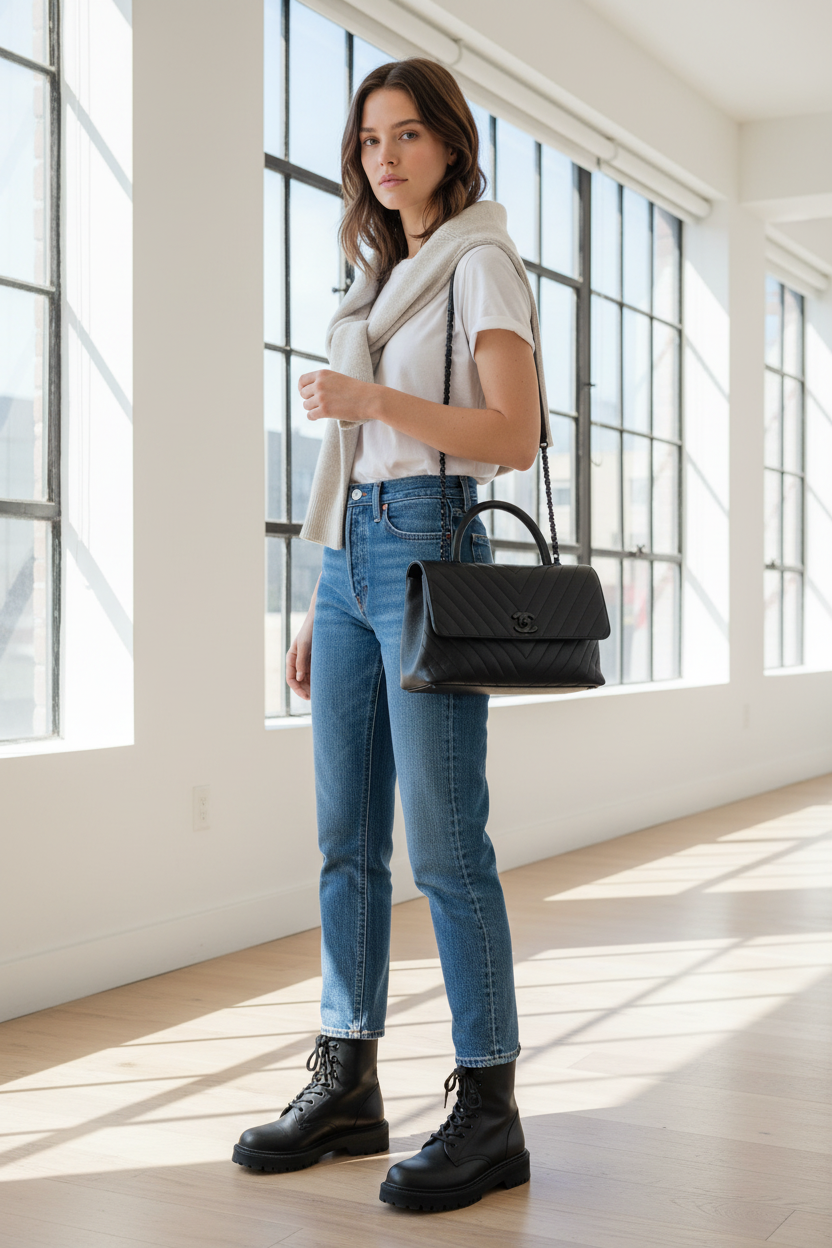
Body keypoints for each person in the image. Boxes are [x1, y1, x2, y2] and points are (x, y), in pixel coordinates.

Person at [233, 57, 552, 1213]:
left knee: (446, 845)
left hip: (430, 540)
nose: (386, 156)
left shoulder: (479, 261)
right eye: (370, 139)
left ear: (450, 144)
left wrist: (372, 400)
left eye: (408, 133)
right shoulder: (376, 281)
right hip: (352, 555)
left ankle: (490, 1111)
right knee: (344, 838)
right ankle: (347, 1080)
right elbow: (346, 463)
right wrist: (318, 594)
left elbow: (512, 434)